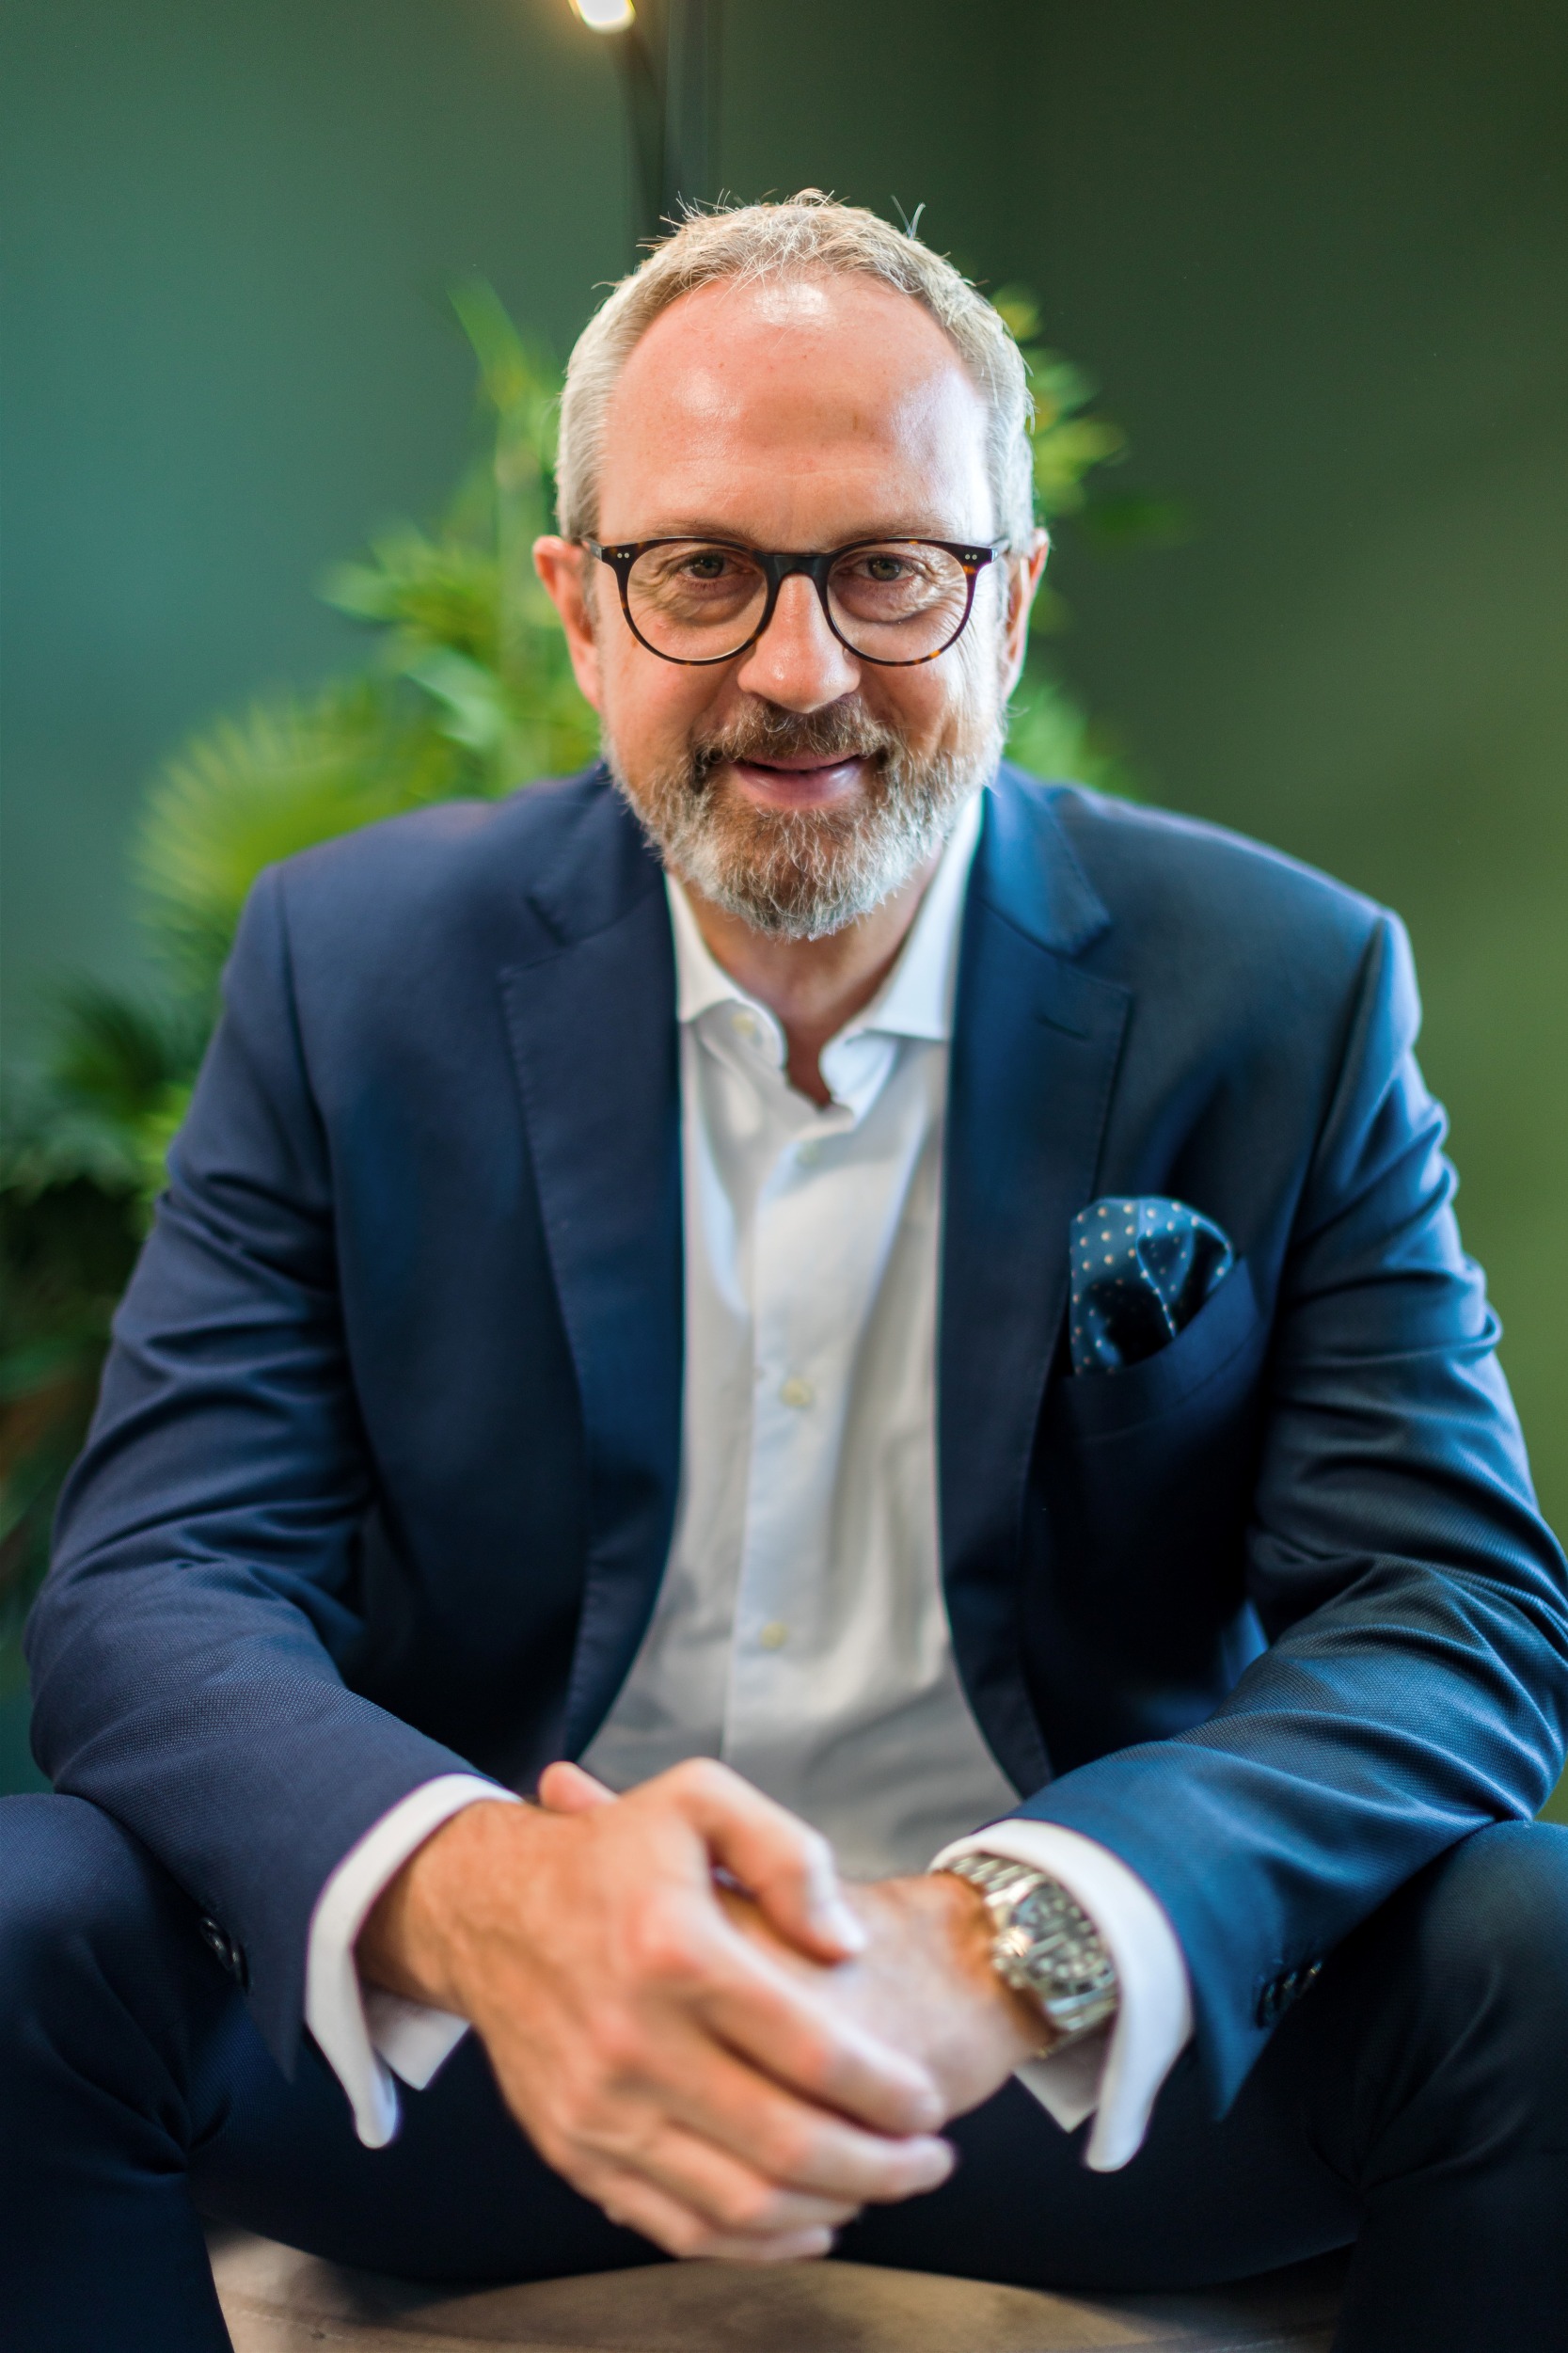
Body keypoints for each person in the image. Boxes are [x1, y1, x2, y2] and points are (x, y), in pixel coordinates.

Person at [4, 195, 1567, 2353]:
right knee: (26, 1920)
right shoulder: (349, 968)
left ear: (1012, 602)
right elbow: (157, 1580)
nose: (801, 670)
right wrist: (485, 1899)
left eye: (891, 569)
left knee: (1534, 1944)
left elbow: (1449, 1607)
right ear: (581, 611)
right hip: (493, 2065)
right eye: (703, 569)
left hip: (1057, 2068)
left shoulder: (1283, 987)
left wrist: (1014, 1939)